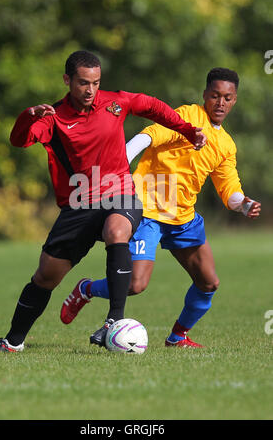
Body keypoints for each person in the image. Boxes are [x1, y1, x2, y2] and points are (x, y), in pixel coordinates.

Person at [0, 50, 206, 352]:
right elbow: (18, 140)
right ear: (67, 80)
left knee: (117, 232)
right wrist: (27, 116)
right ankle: (13, 342)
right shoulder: (54, 119)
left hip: (121, 192)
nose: (90, 90)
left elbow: (152, 107)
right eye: (83, 83)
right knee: (46, 276)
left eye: (96, 83)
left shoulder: (115, 102)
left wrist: (188, 130)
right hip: (79, 202)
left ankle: (114, 322)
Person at [60, 67, 261, 348]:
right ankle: (87, 288)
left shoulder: (226, 145)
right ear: (205, 95)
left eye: (227, 98)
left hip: (183, 217)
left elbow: (230, 191)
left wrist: (244, 205)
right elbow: (149, 135)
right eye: (215, 96)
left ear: (235, 100)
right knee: (135, 285)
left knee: (209, 283)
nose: (221, 103)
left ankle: (178, 336)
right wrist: (121, 161)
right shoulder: (189, 117)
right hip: (149, 212)